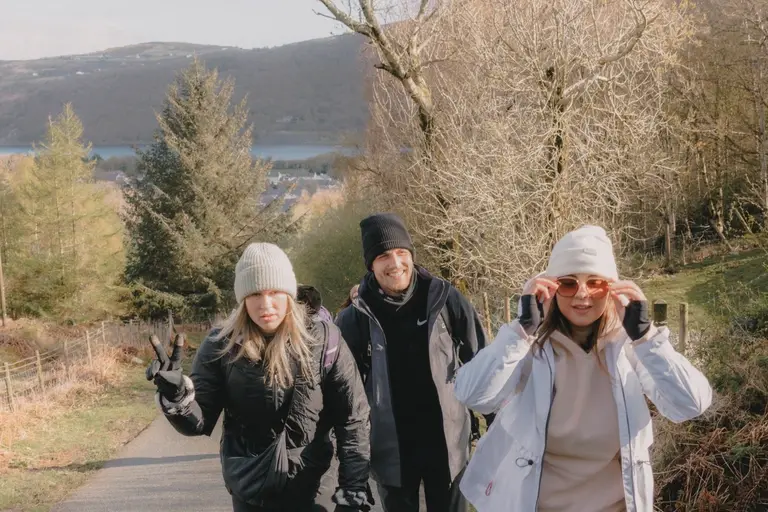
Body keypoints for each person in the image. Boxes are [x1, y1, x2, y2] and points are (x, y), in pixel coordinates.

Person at [453, 225, 713, 512]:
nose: (582, 294)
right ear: (551, 288)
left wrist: (646, 337)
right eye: (568, 282)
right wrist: (521, 330)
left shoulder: (631, 347)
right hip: (537, 504)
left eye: (595, 282)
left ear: (612, 288)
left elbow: (691, 404)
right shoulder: (531, 346)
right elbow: (474, 395)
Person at [145, 243, 372, 512]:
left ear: (289, 292)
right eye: (255, 294)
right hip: (252, 488)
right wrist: (177, 397)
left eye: (274, 291)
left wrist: (352, 493)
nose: (266, 304)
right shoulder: (221, 345)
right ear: (243, 299)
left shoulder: (325, 341)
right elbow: (198, 420)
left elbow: (353, 420)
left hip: (315, 487)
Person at [335, 213, 490, 512]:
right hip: (392, 451)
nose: (395, 263)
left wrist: (496, 426)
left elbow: (482, 362)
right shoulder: (354, 318)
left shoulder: (445, 298)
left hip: (448, 445)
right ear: (371, 264)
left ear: (411, 255)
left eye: (401, 253)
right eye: (383, 256)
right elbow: (344, 392)